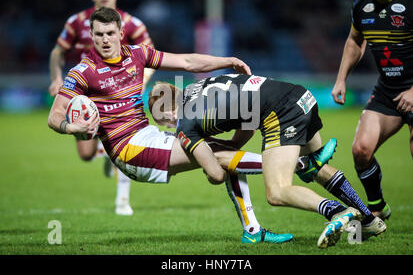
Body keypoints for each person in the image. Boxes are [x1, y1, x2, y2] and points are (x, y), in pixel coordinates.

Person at [48, 6, 299, 244]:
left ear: (120, 33)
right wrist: (71, 128)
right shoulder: (83, 72)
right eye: (99, 34)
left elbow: (187, 62)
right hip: (128, 150)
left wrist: (227, 60)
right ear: (91, 35)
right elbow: (54, 116)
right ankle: (300, 165)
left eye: (110, 33)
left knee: (225, 155)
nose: (105, 39)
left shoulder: (137, 54)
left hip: (148, 135)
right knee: (220, 153)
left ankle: (252, 231)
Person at [148, 74, 387, 248]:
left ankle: (338, 212)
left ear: (168, 114)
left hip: (281, 114)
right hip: (300, 95)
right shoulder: (202, 85)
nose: (171, 127)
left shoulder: (185, 125)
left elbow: (216, 174)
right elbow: (247, 122)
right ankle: (368, 220)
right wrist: (232, 148)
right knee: (317, 169)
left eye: (166, 124)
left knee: (277, 192)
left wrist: (216, 157)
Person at [48, 0, 155, 215]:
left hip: (119, 94)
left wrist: (139, 82)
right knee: (85, 153)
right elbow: (57, 52)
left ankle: (123, 200)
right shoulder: (77, 21)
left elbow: (150, 55)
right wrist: (56, 77)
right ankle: (104, 152)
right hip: (85, 94)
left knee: (127, 138)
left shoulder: (132, 24)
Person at [331, 0, 412, 220]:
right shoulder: (361, 5)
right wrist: (341, 78)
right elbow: (355, 41)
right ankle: (377, 207)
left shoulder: (411, 1)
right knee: (361, 149)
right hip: (388, 91)